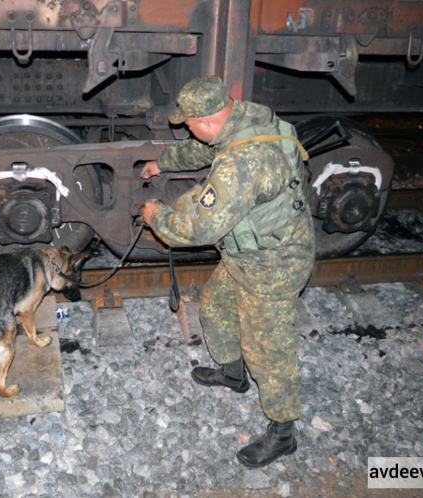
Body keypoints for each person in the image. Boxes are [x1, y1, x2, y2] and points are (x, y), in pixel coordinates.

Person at [141, 76, 315, 468]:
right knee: (215, 309)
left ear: (204, 121)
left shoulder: (240, 166)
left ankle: (284, 433)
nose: (188, 130)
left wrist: (158, 217)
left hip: (273, 266)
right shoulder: (246, 116)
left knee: (268, 350)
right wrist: (162, 163)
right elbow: (204, 151)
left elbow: (199, 229)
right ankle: (233, 376)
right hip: (250, 254)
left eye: (189, 125)